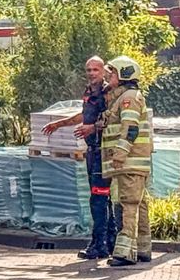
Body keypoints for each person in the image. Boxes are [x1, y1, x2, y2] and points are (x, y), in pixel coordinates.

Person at [41, 56, 115, 259]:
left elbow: (112, 117)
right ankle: (109, 242)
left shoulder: (109, 92)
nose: (91, 73)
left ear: (103, 71)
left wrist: (93, 128)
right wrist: (59, 124)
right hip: (92, 150)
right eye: (88, 70)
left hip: (103, 149)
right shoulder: (89, 92)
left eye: (95, 70)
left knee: (99, 197)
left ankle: (99, 244)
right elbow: (85, 115)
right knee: (101, 196)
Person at [99, 56, 153, 267]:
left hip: (129, 162)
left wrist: (119, 156)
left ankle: (124, 253)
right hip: (133, 163)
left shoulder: (129, 97)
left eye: (111, 73)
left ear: (123, 75)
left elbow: (130, 129)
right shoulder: (123, 98)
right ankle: (142, 249)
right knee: (140, 204)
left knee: (127, 204)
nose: (108, 77)